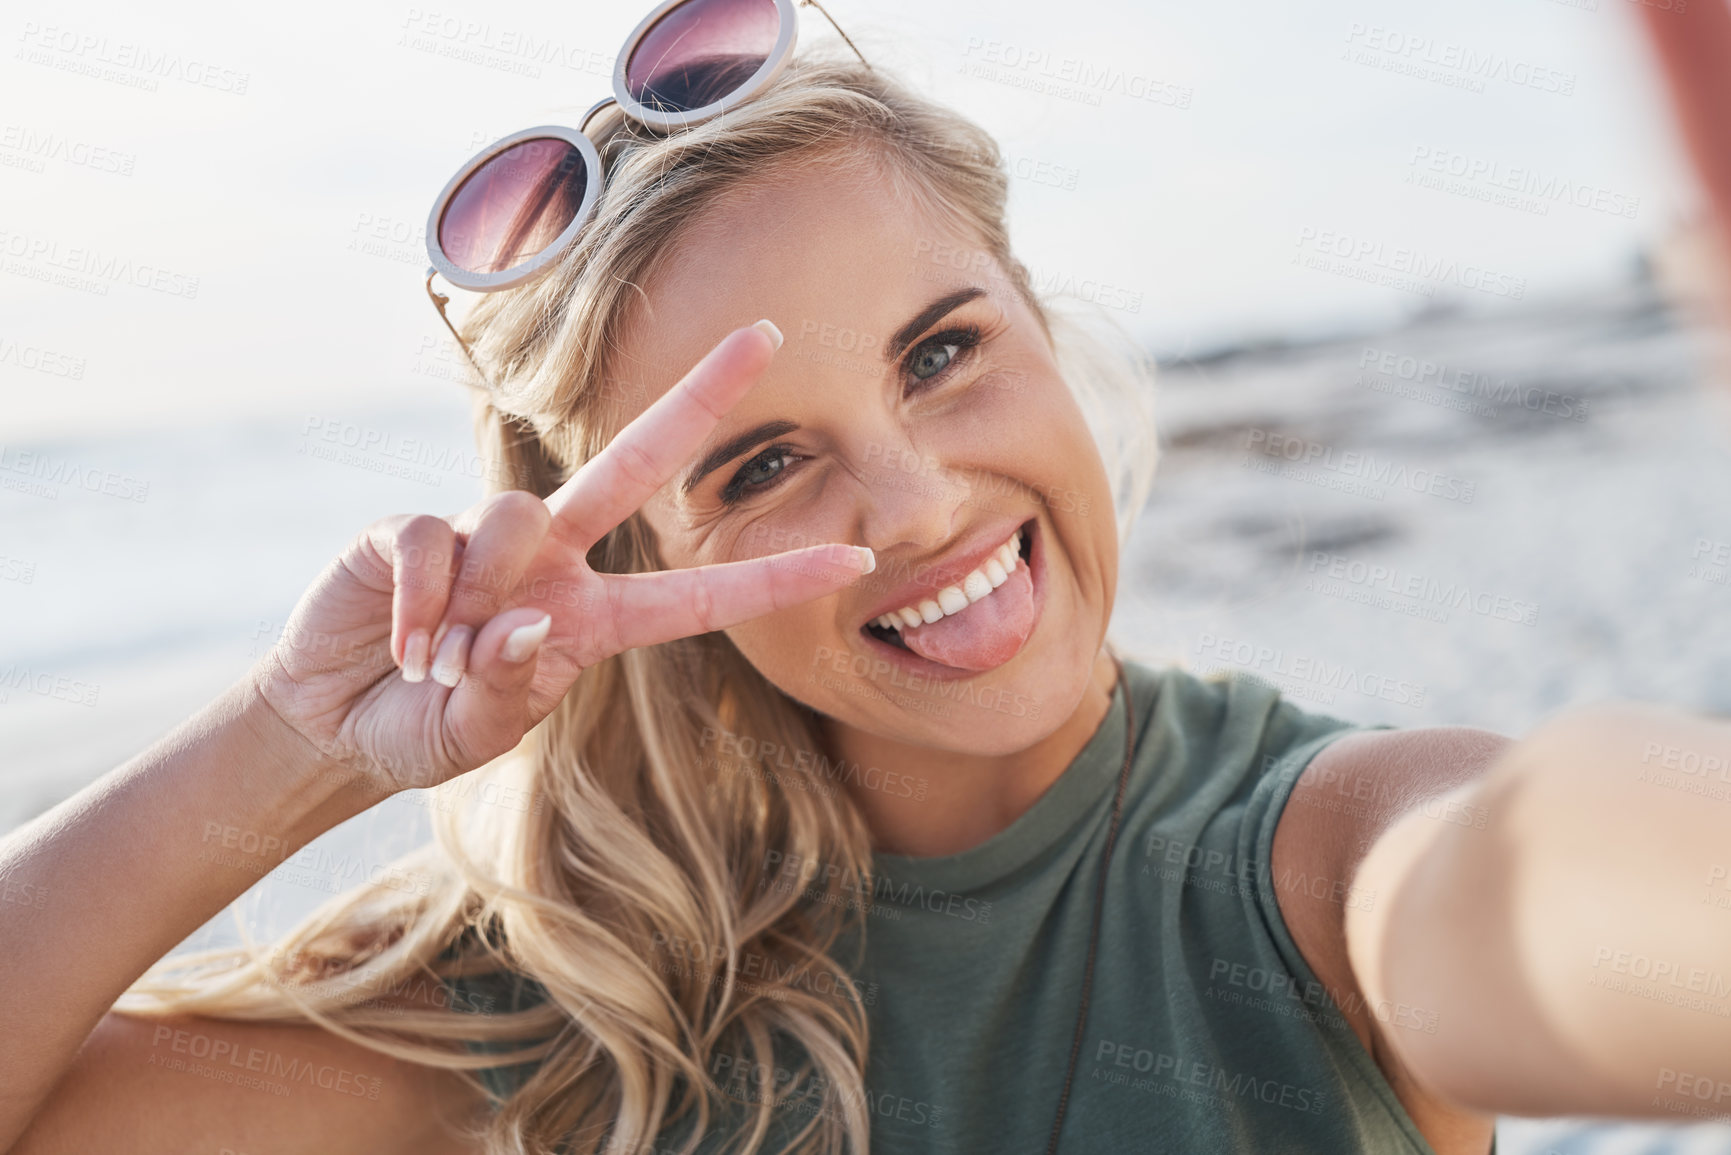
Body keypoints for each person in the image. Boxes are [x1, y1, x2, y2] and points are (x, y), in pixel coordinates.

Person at [4, 19, 1728, 1155]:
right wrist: (298, 740)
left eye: (944, 351)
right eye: (760, 465)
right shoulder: (566, 1006)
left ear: (1040, 324)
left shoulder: (1328, 861)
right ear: (634, 562)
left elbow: (1591, 890)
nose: (911, 505)